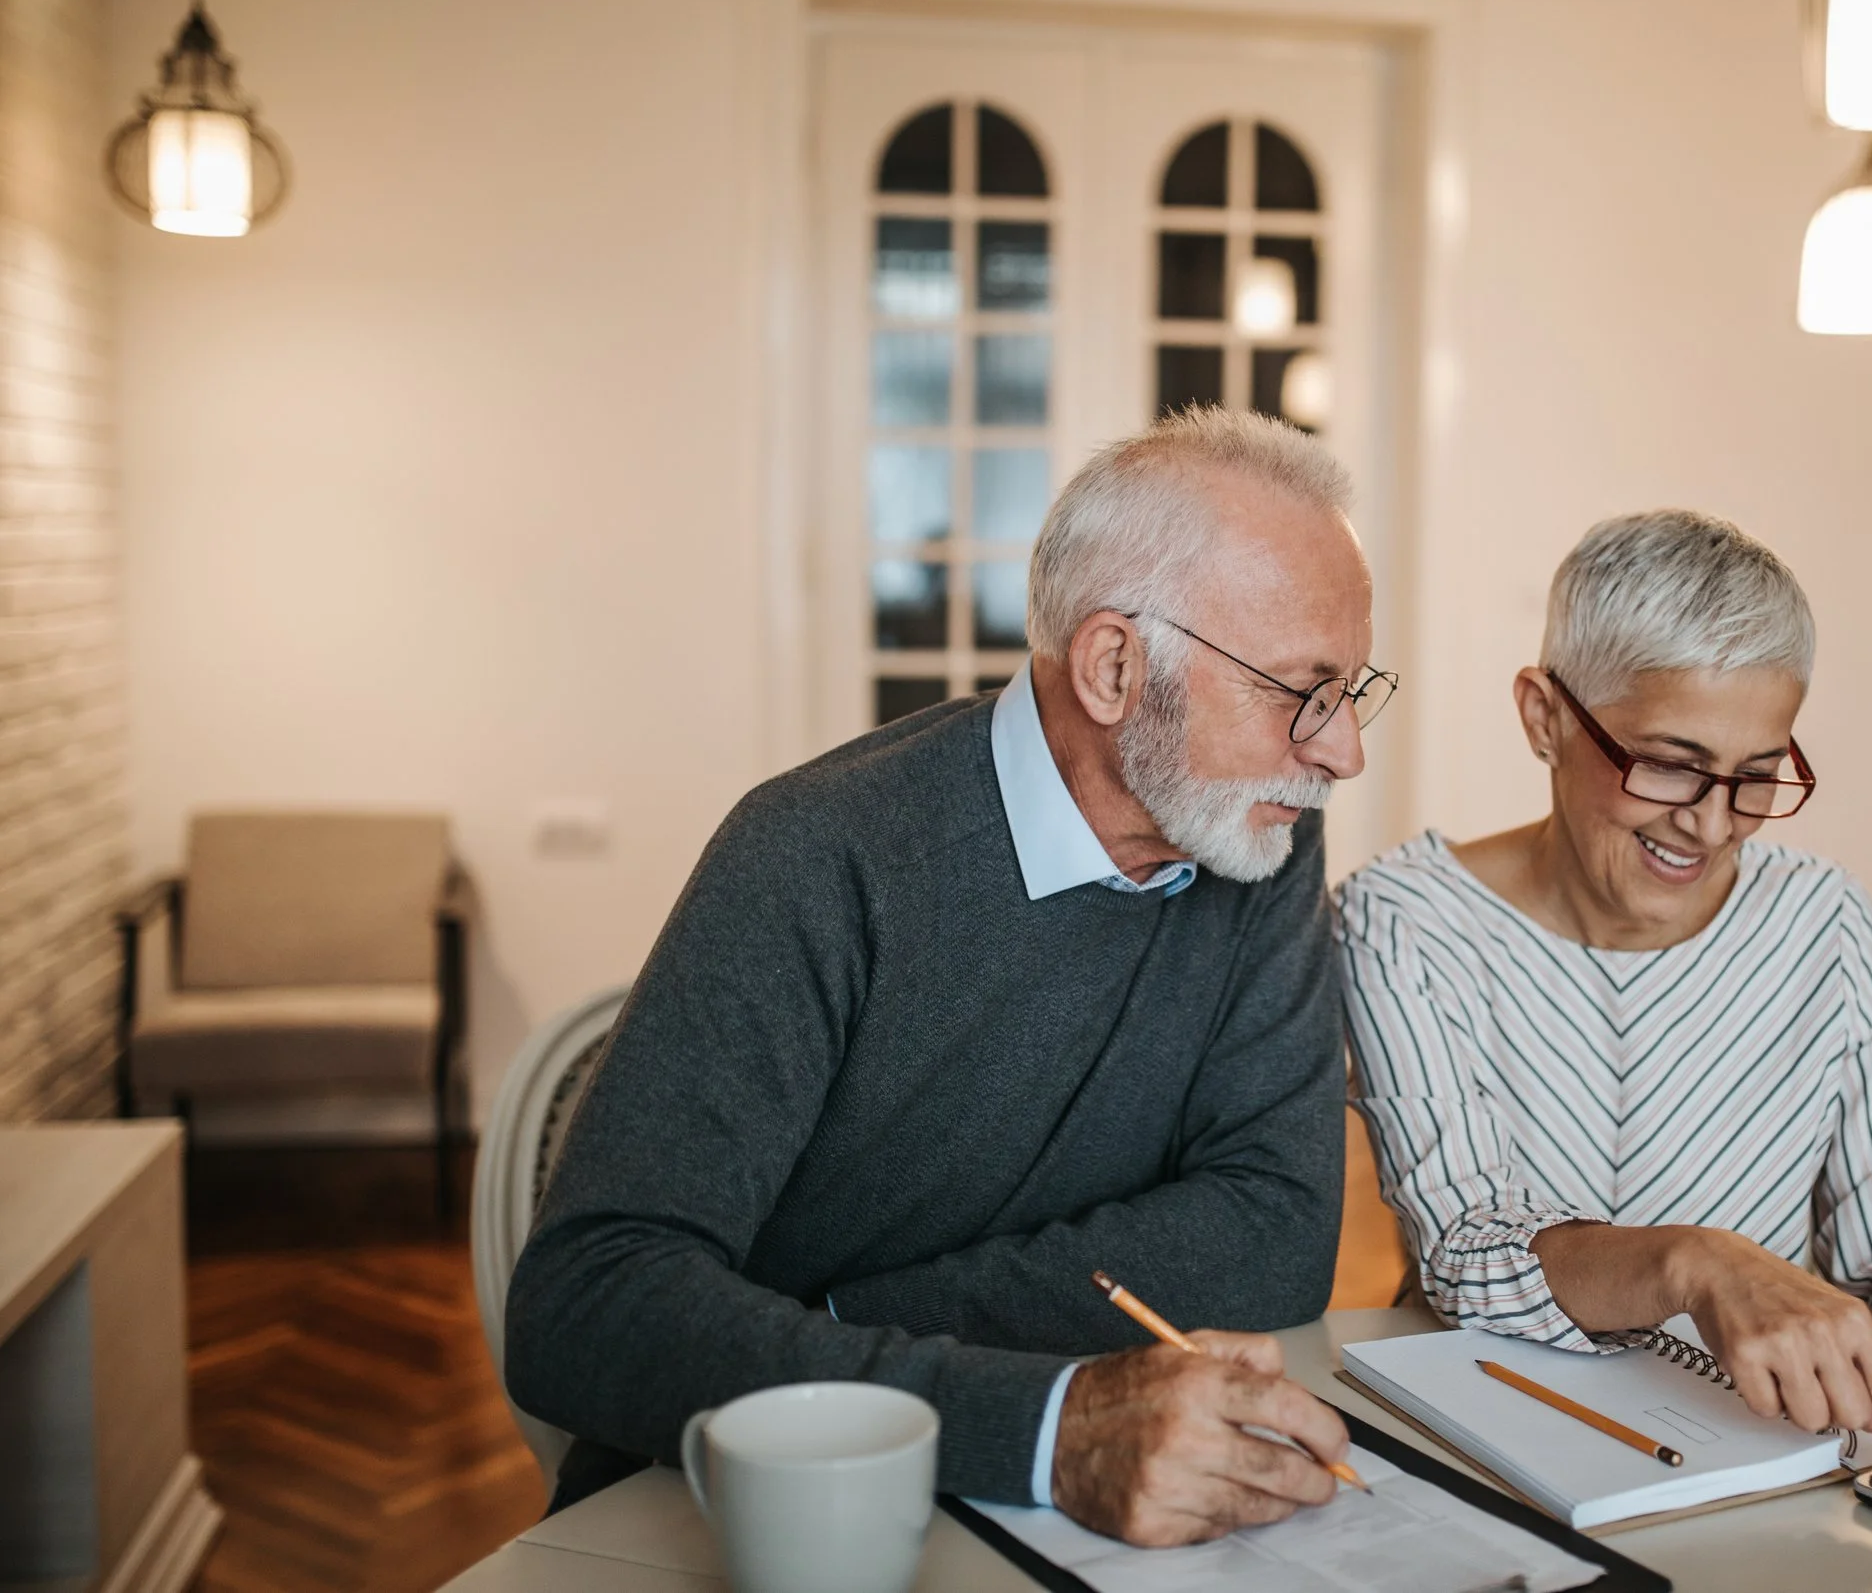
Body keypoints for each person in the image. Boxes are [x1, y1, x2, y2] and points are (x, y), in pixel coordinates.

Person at [505, 407, 1399, 1546]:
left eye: (1353, 690)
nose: (1341, 752)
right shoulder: (818, 854)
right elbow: (586, 1304)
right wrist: (1041, 1417)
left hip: (1061, 1501)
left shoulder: (1257, 836)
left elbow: (1270, 1237)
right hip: (758, 1514)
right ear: (1116, 664)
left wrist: (830, 1331)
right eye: (1300, 691)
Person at [1338, 509, 1872, 1487]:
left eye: (1754, 777)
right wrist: (1696, 1262)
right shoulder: (1404, 921)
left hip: (1770, 1445)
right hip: (1495, 1438)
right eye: (1668, 762)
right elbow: (1466, 1248)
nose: (1709, 824)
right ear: (1543, 715)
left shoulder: (1825, 923)